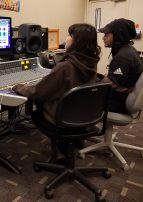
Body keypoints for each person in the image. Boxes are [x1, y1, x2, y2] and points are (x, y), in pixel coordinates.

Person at [12, 23, 101, 162]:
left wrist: (18, 87)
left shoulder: (65, 66)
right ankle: (74, 142)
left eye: (70, 36)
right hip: (85, 118)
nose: (66, 39)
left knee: (37, 109)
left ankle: (58, 148)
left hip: (64, 120)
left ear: (78, 41)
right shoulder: (92, 62)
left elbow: (37, 92)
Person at [98, 18, 143, 113]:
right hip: (123, 98)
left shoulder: (122, 57)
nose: (103, 38)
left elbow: (112, 85)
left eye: (106, 35)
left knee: (81, 100)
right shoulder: (129, 49)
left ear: (118, 36)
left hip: (119, 102)